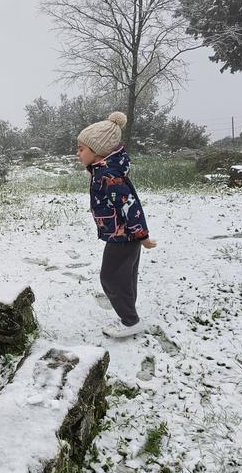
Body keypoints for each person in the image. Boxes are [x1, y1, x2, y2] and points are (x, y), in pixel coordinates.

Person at [76, 112, 157, 338]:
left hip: (123, 237)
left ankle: (130, 321)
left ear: (98, 150)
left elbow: (130, 205)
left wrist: (141, 235)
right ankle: (129, 316)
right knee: (125, 277)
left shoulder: (108, 174)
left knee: (111, 278)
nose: (77, 153)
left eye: (81, 149)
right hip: (123, 236)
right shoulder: (104, 170)